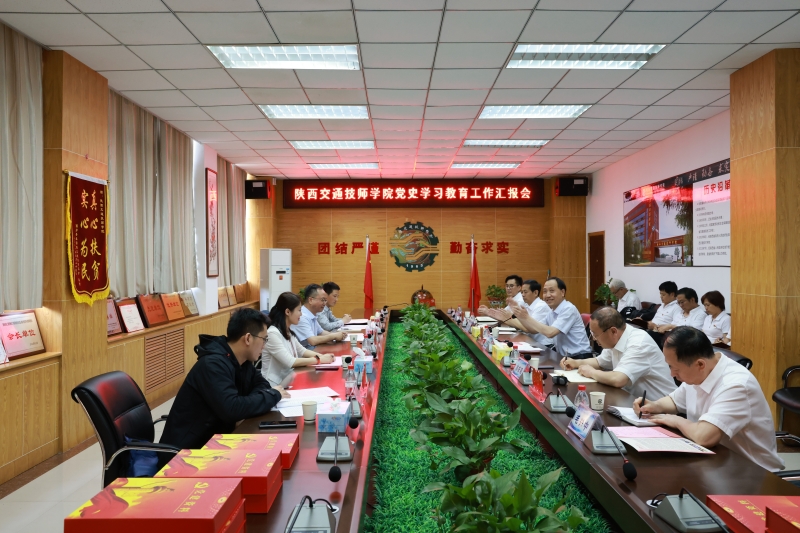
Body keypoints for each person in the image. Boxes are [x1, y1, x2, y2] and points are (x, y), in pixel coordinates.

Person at [634, 327, 784, 472]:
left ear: (700, 364)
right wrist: (655, 405)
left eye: (676, 368)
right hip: (715, 463)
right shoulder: (700, 372)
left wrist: (674, 420)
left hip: (753, 473)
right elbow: (675, 401)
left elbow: (704, 437)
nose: (672, 374)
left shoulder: (736, 385)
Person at [160, 308, 289, 450]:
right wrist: (273, 395)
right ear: (248, 338)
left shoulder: (243, 360)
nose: (264, 346)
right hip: (188, 450)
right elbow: (232, 409)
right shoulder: (212, 365)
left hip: (218, 440)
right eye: (264, 339)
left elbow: (262, 384)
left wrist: (246, 406)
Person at [560, 307, 675, 399]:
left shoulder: (639, 343)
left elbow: (618, 379)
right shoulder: (616, 339)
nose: (594, 338)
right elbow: (599, 362)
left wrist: (591, 372)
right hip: (634, 403)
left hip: (663, 410)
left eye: (596, 334)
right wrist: (575, 363)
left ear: (613, 331)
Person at [262, 292, 335, 387]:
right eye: (299, 310)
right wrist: (318, 359)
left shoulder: (287, 330)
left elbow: (302, 351)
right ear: (288, 312)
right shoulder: (272, 334)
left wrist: (323, 356)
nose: (301, 314)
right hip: (273, 386)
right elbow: (291, 362)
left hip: (288, 380)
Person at [508, 277, 593, 358]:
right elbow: (534, 330)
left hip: (580, 357)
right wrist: (521, 317)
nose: (548, 295)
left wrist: (526, 317)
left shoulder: (568, 309)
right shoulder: (552, 312)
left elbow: (550, 333)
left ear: (562, 292)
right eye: (545, 292)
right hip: (564, 357)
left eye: (552, 291)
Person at [483, 279, 552, 347]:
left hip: (543, 345)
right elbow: (521, 326)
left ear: (535, 293)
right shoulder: (526, 304)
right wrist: (506, 318)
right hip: (530, 341)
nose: (523, 295)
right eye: (522, 292)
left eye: (525, 292)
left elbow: (530, 329)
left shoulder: (541, 306)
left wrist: (507, 318)